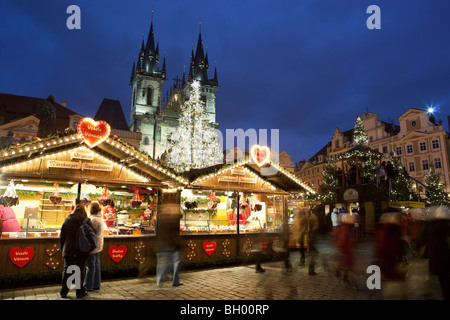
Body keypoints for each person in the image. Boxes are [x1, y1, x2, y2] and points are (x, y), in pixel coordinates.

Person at [59, 204, 94, 298]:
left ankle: (64, 292)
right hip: (82, 249)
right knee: (80, 269)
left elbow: (62, 236)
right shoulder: (86, 221)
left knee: (68, 269)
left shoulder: (67, 220)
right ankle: (79, 292)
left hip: (69, 248)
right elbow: (92, 233)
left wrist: (62, 248)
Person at [417, 206, 450, 300]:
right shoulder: (447, 226)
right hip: (446, 259)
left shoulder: (430, 225)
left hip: (437, 260)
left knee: (444, 283)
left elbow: (421, 241)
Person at [374, 212, 408, 299]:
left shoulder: (386, 231)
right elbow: (386, 251)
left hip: (391, 272)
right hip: (393, 272)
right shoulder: (390, 233)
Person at [155, 212, 182, 287]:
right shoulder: (173, 224)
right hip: (172, 247)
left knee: (161, 264)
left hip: (160, 248)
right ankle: (175, 281)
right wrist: (178, 245)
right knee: (176, 263)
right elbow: (175, 236)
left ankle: (159, 280)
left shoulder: (159, 225)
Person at [83, 202, 104, 292]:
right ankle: (96, 284)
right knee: (96, 264)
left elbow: (90, 233)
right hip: (98, 244)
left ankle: (88, 285)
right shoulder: (99, 218)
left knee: (90, 265)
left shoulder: (93, 220)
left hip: (93, 245)